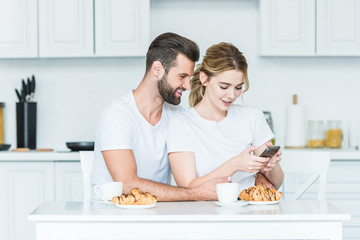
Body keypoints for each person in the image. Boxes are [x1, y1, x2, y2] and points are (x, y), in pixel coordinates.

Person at [91, 32, 228, 201]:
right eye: (182, 76)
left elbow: (208, 159)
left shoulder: (177, 117)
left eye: (190, 78)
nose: (187, 86)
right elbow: (126, 184)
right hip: (111, 218)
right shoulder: (116, 115)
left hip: (156, 213)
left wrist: (258, 175)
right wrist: (195, 194)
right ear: (157, 69)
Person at [167, 42, 284, 192]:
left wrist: (271, 167)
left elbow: (277, 182)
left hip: (250, 209)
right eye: (224, 86)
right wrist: (234, 165)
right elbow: (187, 187)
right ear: (204, 78)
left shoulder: (252, 116)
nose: (231, 95)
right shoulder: (181, 123)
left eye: (238, 87)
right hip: (205, 211)